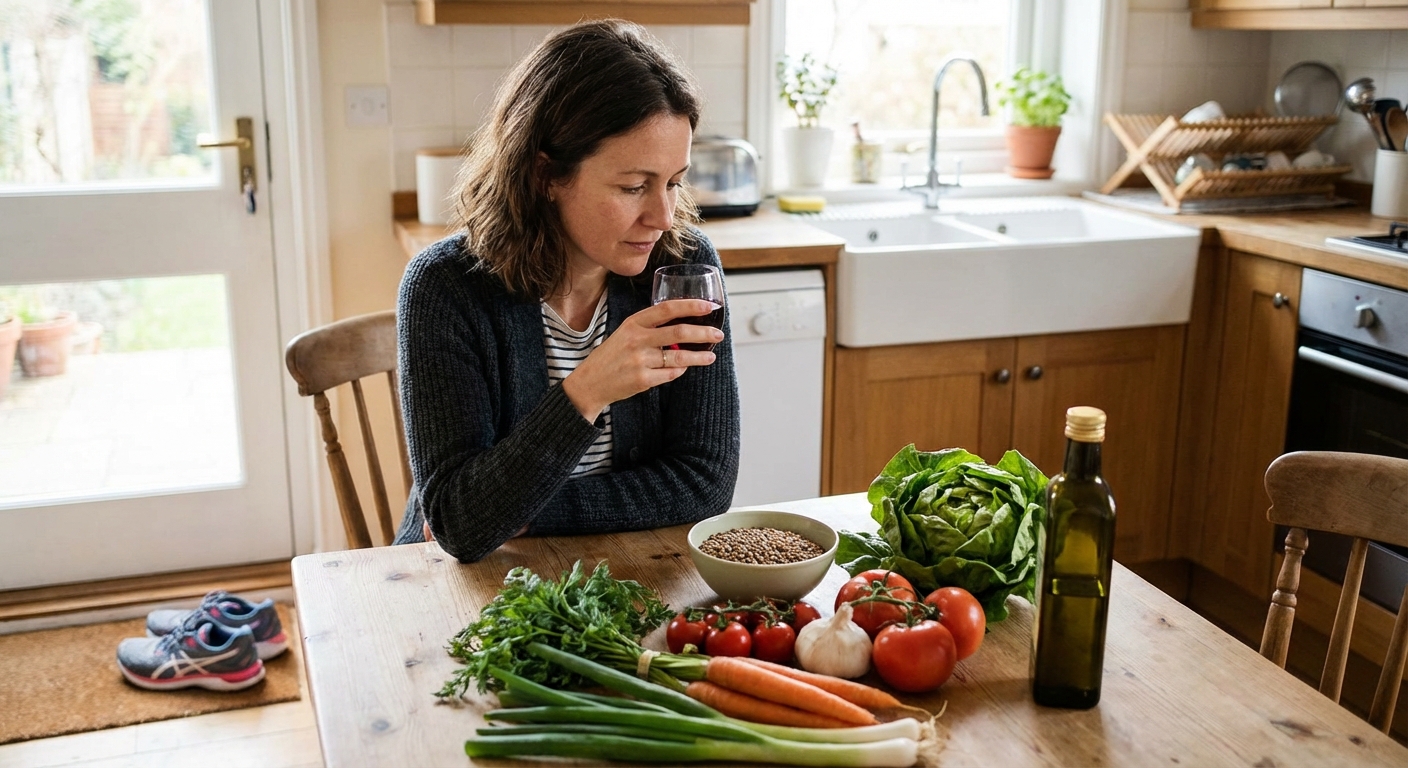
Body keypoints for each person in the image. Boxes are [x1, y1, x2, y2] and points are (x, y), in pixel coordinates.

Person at [392, 20, 740, 562]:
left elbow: (704, 482)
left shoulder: (683, 267)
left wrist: (529, 512)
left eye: (673, 182)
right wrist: (587, 391)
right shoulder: (446, 288)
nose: (662, 215)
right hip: (461, 584)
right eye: (633, 187)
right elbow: (459, 523)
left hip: (626, 567)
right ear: (546, 175)